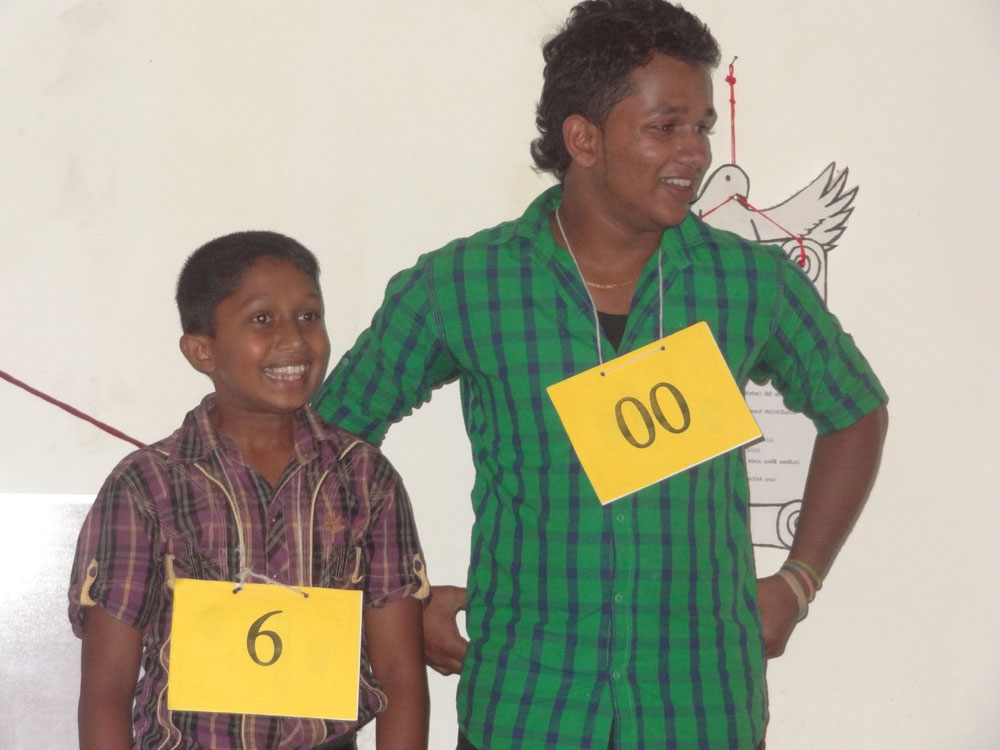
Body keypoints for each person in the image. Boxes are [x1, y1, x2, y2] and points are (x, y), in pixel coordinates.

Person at [313, 1, 888, 748]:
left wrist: (799, 579)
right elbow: (328, 449)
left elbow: (856, 410)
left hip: (700, 709)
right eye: (665, 127)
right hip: (528, 708)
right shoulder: (464, 285)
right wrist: (396, 597)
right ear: (583, 138)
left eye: (703, 127)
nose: (694, 154)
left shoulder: (751, 284)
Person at [68, 231, 430, 750]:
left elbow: (401, 677)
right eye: (262, 319)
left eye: (309, 315)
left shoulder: (365, 480)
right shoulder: (147, 487)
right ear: (202, 351)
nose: (295, 339)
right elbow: (106, 692)